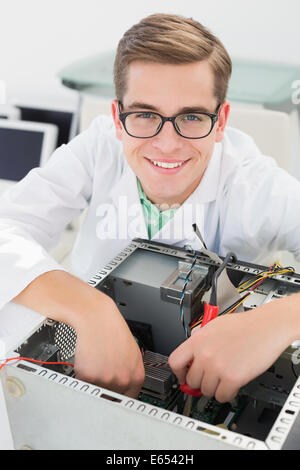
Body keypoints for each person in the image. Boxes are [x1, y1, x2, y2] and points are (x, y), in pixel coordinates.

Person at [1, 13, 300, 403]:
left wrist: (274, 322)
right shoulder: (98, 148)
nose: (168, 144)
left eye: (192, 117)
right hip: (88, 348)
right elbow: (9, 228)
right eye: (145, 115)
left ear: (222, 121)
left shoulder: (257, 186)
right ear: (117, 119)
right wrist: (90, 309)